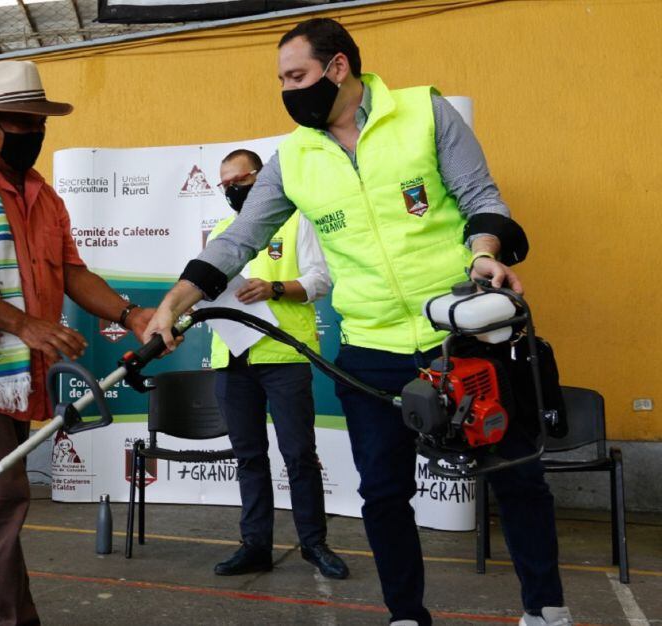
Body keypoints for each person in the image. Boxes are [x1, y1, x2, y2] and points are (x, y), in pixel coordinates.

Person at [143, 18, 570, 626]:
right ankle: (405, 615)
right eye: (281, 80)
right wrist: (172, 304)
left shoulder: (425, 113)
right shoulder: (294, 158)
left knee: (516, 475)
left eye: (296, 76)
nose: (287, 91)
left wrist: (484, 253)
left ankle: (545, 610)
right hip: (371, 349)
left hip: (466, 335)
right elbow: (238, 240)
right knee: (384, 494)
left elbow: (481, 197)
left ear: (338, 67)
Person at [0, 60, 153, 626]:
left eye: (39, 122)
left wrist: (130, 313)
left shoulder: (43, 195)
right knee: (1, 496)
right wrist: (24, 324)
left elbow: (72, 271)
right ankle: (12, 619)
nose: (33, 133)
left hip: (18, 371)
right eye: (21, 123)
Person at [209, 148, 346, 580]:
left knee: (299, 454)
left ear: (261, 176)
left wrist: (275, 288)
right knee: (248, 457)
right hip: (232, 358)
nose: (232, 191)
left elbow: (320, 280)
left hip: (283, 356)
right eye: (225, 185)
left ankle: (314, 544)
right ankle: (255, 546)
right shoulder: (222, 232)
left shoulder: (295, 219)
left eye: (239, 181)